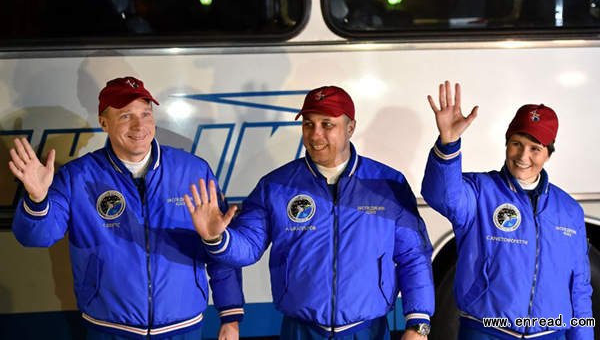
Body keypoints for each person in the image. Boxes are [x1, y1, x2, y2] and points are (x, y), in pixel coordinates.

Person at [184, 86, 435, 339]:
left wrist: (418, 325)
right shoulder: (275, 186)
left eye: (327, 125)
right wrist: (216, 239)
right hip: (301, 330)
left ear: (350, 128)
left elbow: (413, 255)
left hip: (367, 330)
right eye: (308, 124)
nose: (315, 135)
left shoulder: (387, 183)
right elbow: (248, 247)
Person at [9, 76, 244, 340]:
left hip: (183, 329)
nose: (139, 125)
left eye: (146, 113)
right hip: (109, 330)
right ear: (103, 123)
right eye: (125, 116)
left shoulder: (193, 171)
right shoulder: (77, 177)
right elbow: (36, 237)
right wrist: (38, 198)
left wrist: (230, 315)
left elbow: (219, 246)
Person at [421, 81, 593, 339]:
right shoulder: (479, 191)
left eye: (535, 148)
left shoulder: (568, 210)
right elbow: (441, 195)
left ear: (548, 154)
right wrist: (448, 143)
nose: (523, 156)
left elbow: (579, 286)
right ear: (506, 143)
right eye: (516, 143)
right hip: (486, 331)